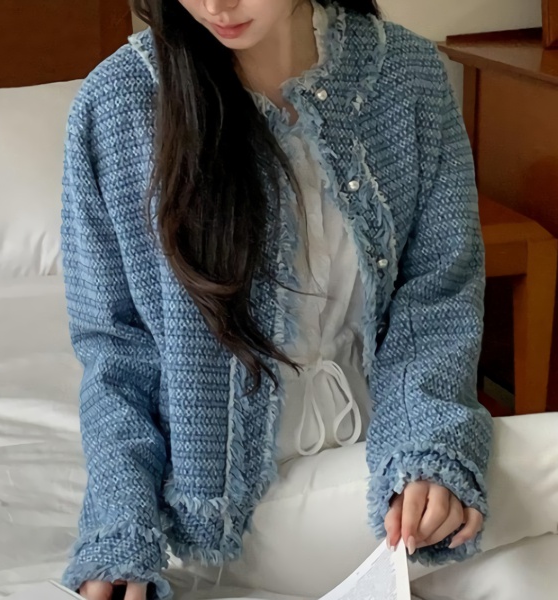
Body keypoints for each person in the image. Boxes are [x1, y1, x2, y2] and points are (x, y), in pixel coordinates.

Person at [59, 1, 539, 599]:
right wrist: (120, 530)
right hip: (238, 518)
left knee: (533, 575)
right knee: (545, 462)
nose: (215, 5)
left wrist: (430, 445)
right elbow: (116, 353)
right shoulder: (118, 105)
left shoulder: (407, 74)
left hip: (385, 468)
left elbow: (437, 295)